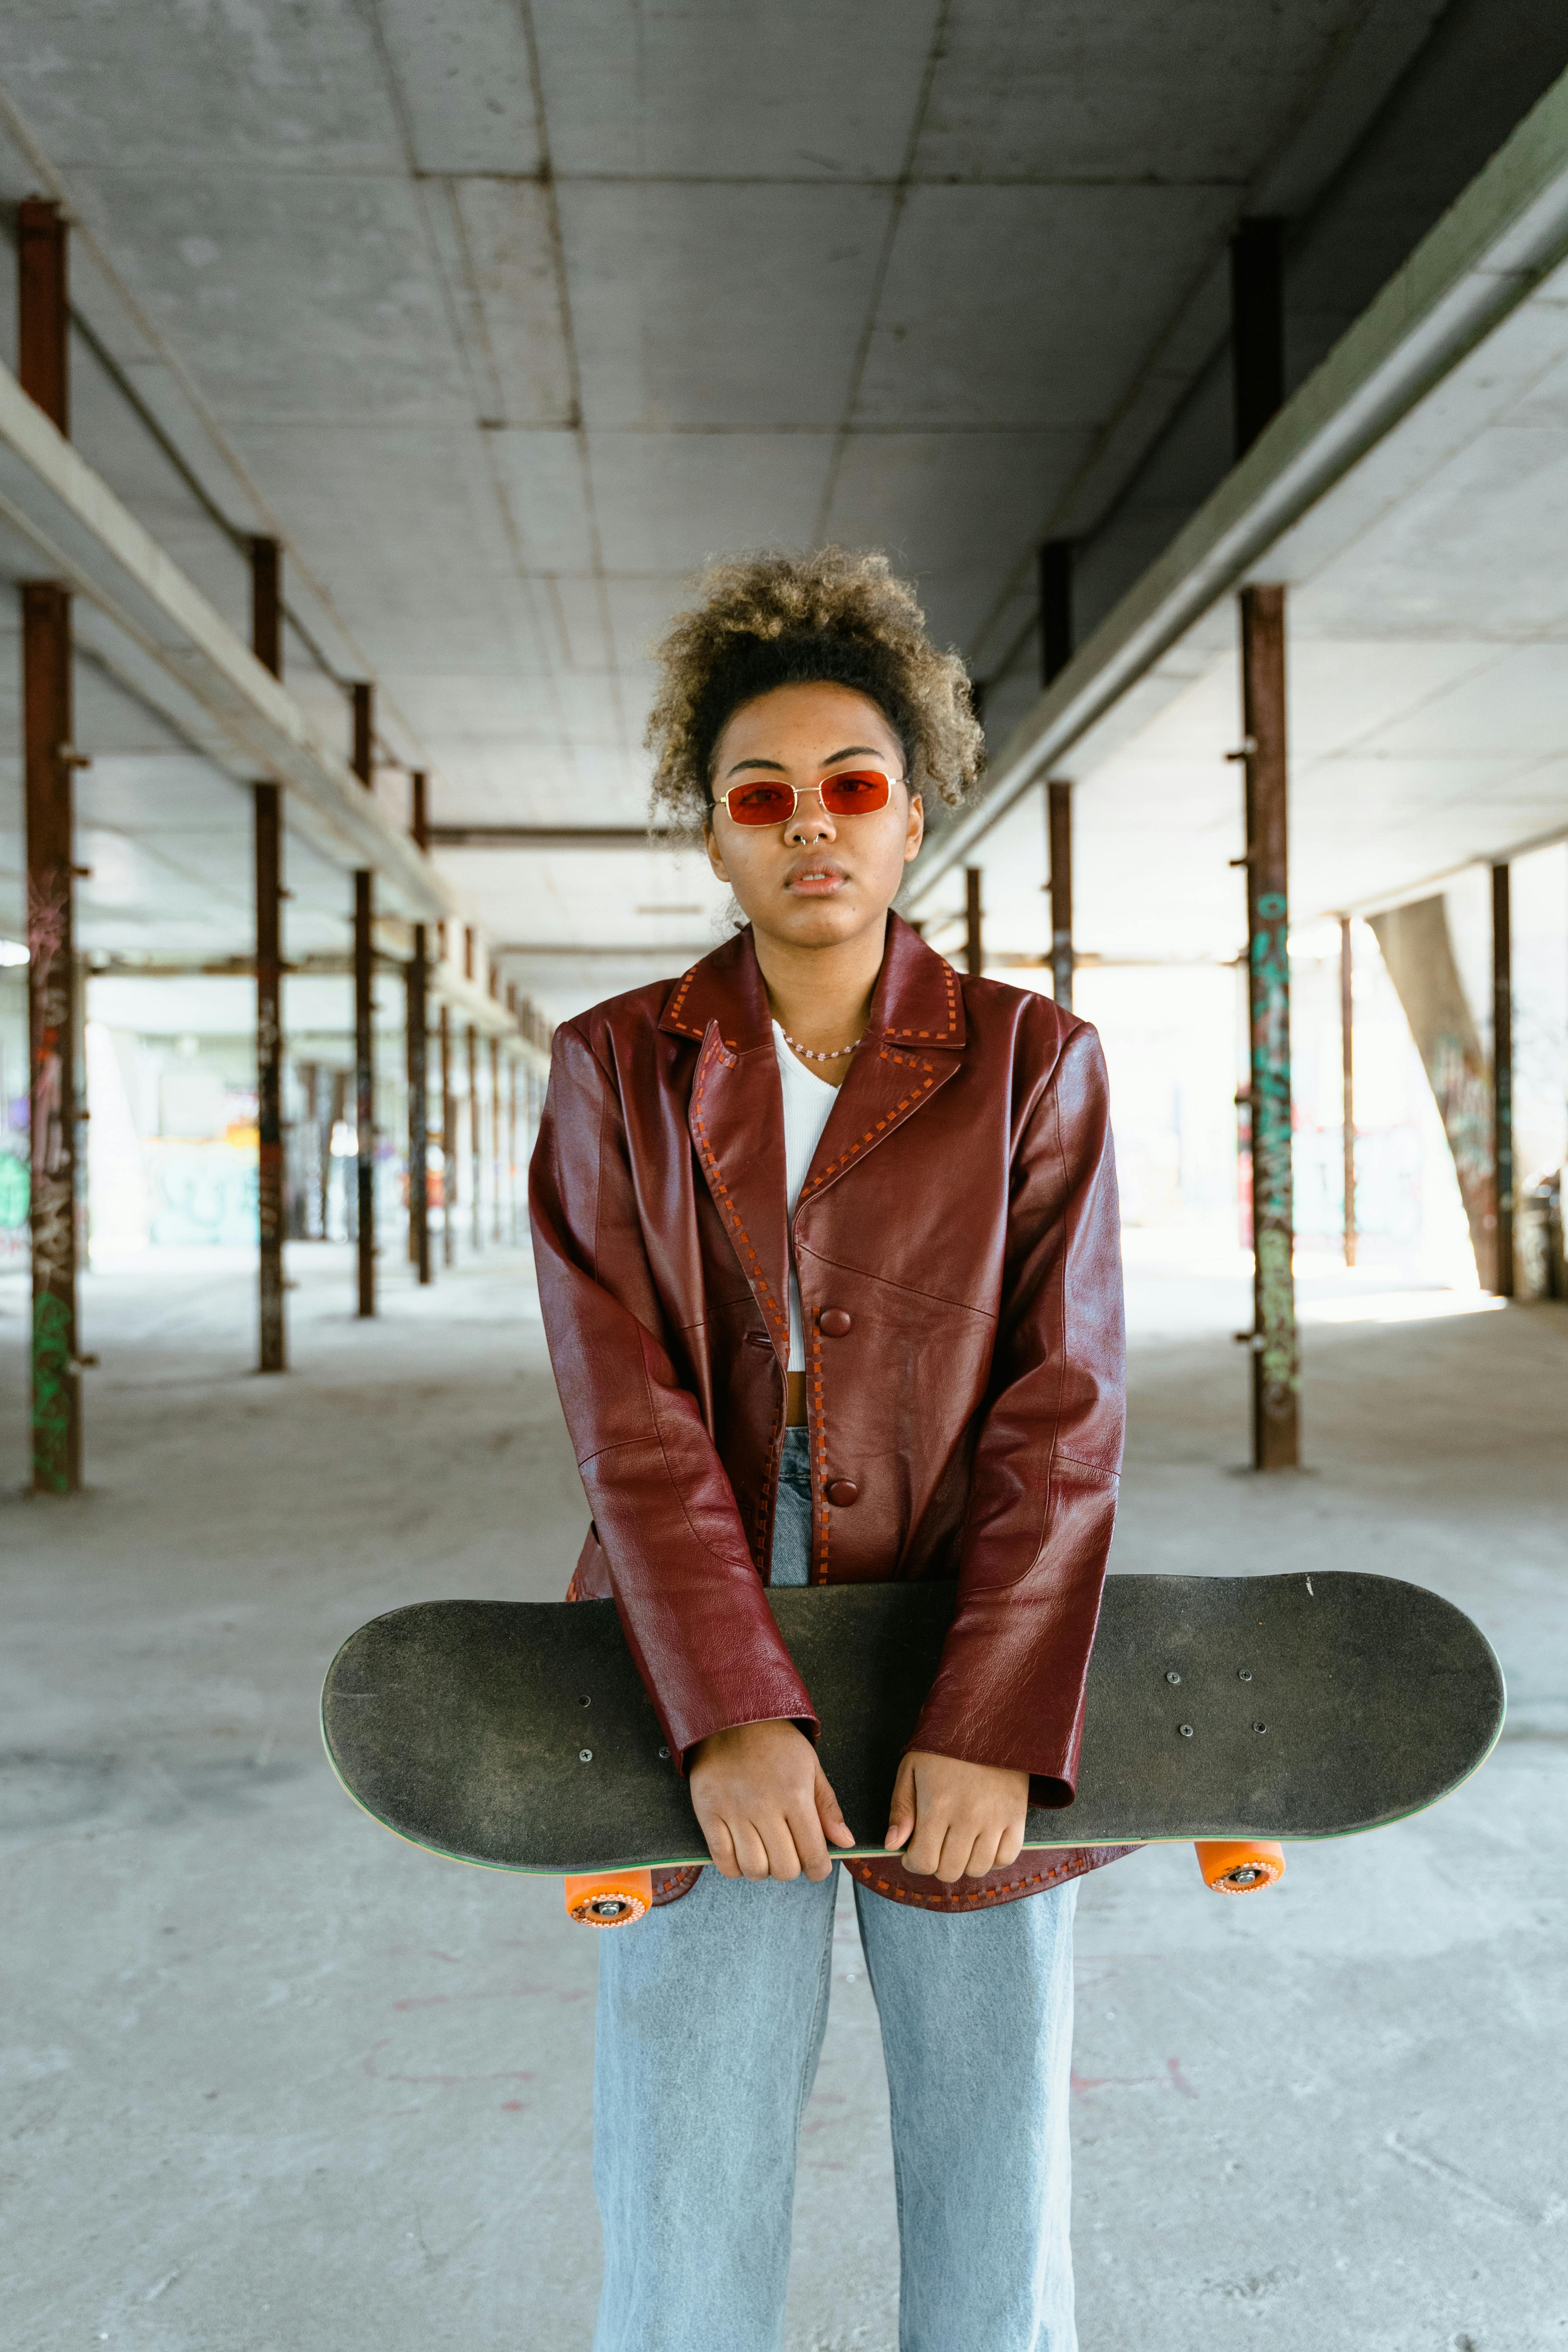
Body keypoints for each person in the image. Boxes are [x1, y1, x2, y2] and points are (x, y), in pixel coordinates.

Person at [530, 548, 1127, 2352]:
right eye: (761, 796)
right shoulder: (612, 1068)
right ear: (710, 835)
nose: (812, 829)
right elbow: (624, 1414)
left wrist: (993, 1719)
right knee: (687, 2168)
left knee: (995, 2176)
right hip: (691, 1623)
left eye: (851, 788)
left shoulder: (1036, 1061)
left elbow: (1063, 1410)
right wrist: (726, 1702)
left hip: (969, 1613)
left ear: (913, 811)